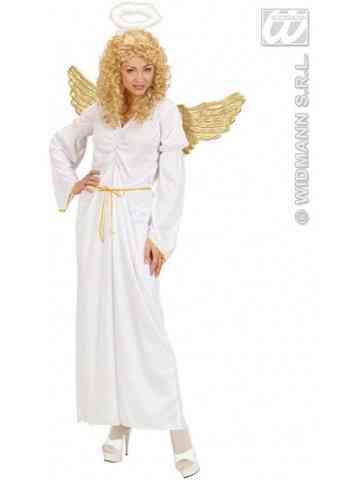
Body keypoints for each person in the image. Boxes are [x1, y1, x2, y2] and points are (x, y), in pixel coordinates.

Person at [49, 28, 200, 478]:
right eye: (130, 69)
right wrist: (74, 183)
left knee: (145, 325)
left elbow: (172, 179)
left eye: (147, 68)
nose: (139, 78)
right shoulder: (101, 109)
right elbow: (60, 144)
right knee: (105, 322)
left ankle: (178, 430)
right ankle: (119, 422)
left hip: (136, 224)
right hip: (96, 224)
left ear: (158, 70)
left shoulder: (165, 112)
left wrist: (161, 237)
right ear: (116, 71)